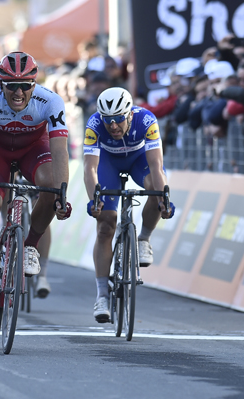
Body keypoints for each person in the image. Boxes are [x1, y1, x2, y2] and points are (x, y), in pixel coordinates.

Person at [0, 51, 72, 331]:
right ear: (0, 84)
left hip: (32, 149)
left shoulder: (50, 101)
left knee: (50, 184)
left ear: (34, 85)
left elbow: (60, 152)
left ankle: (30, 246)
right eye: (11, 85)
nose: (18, 92)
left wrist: (62, 195)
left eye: (25, 85)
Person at [83, 87, 175, 323]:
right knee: (106, 225)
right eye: (108, 120)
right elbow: (90, 169)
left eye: (118, 119)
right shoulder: (94, 124)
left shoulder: (147, 119)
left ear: (130, 115)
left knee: (155, 188)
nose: (113, 126)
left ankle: (144, 238)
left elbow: (156, 166)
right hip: (108, 164)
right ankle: (102, 295)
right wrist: (95, 198)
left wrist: (163, 198)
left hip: (138, 160)